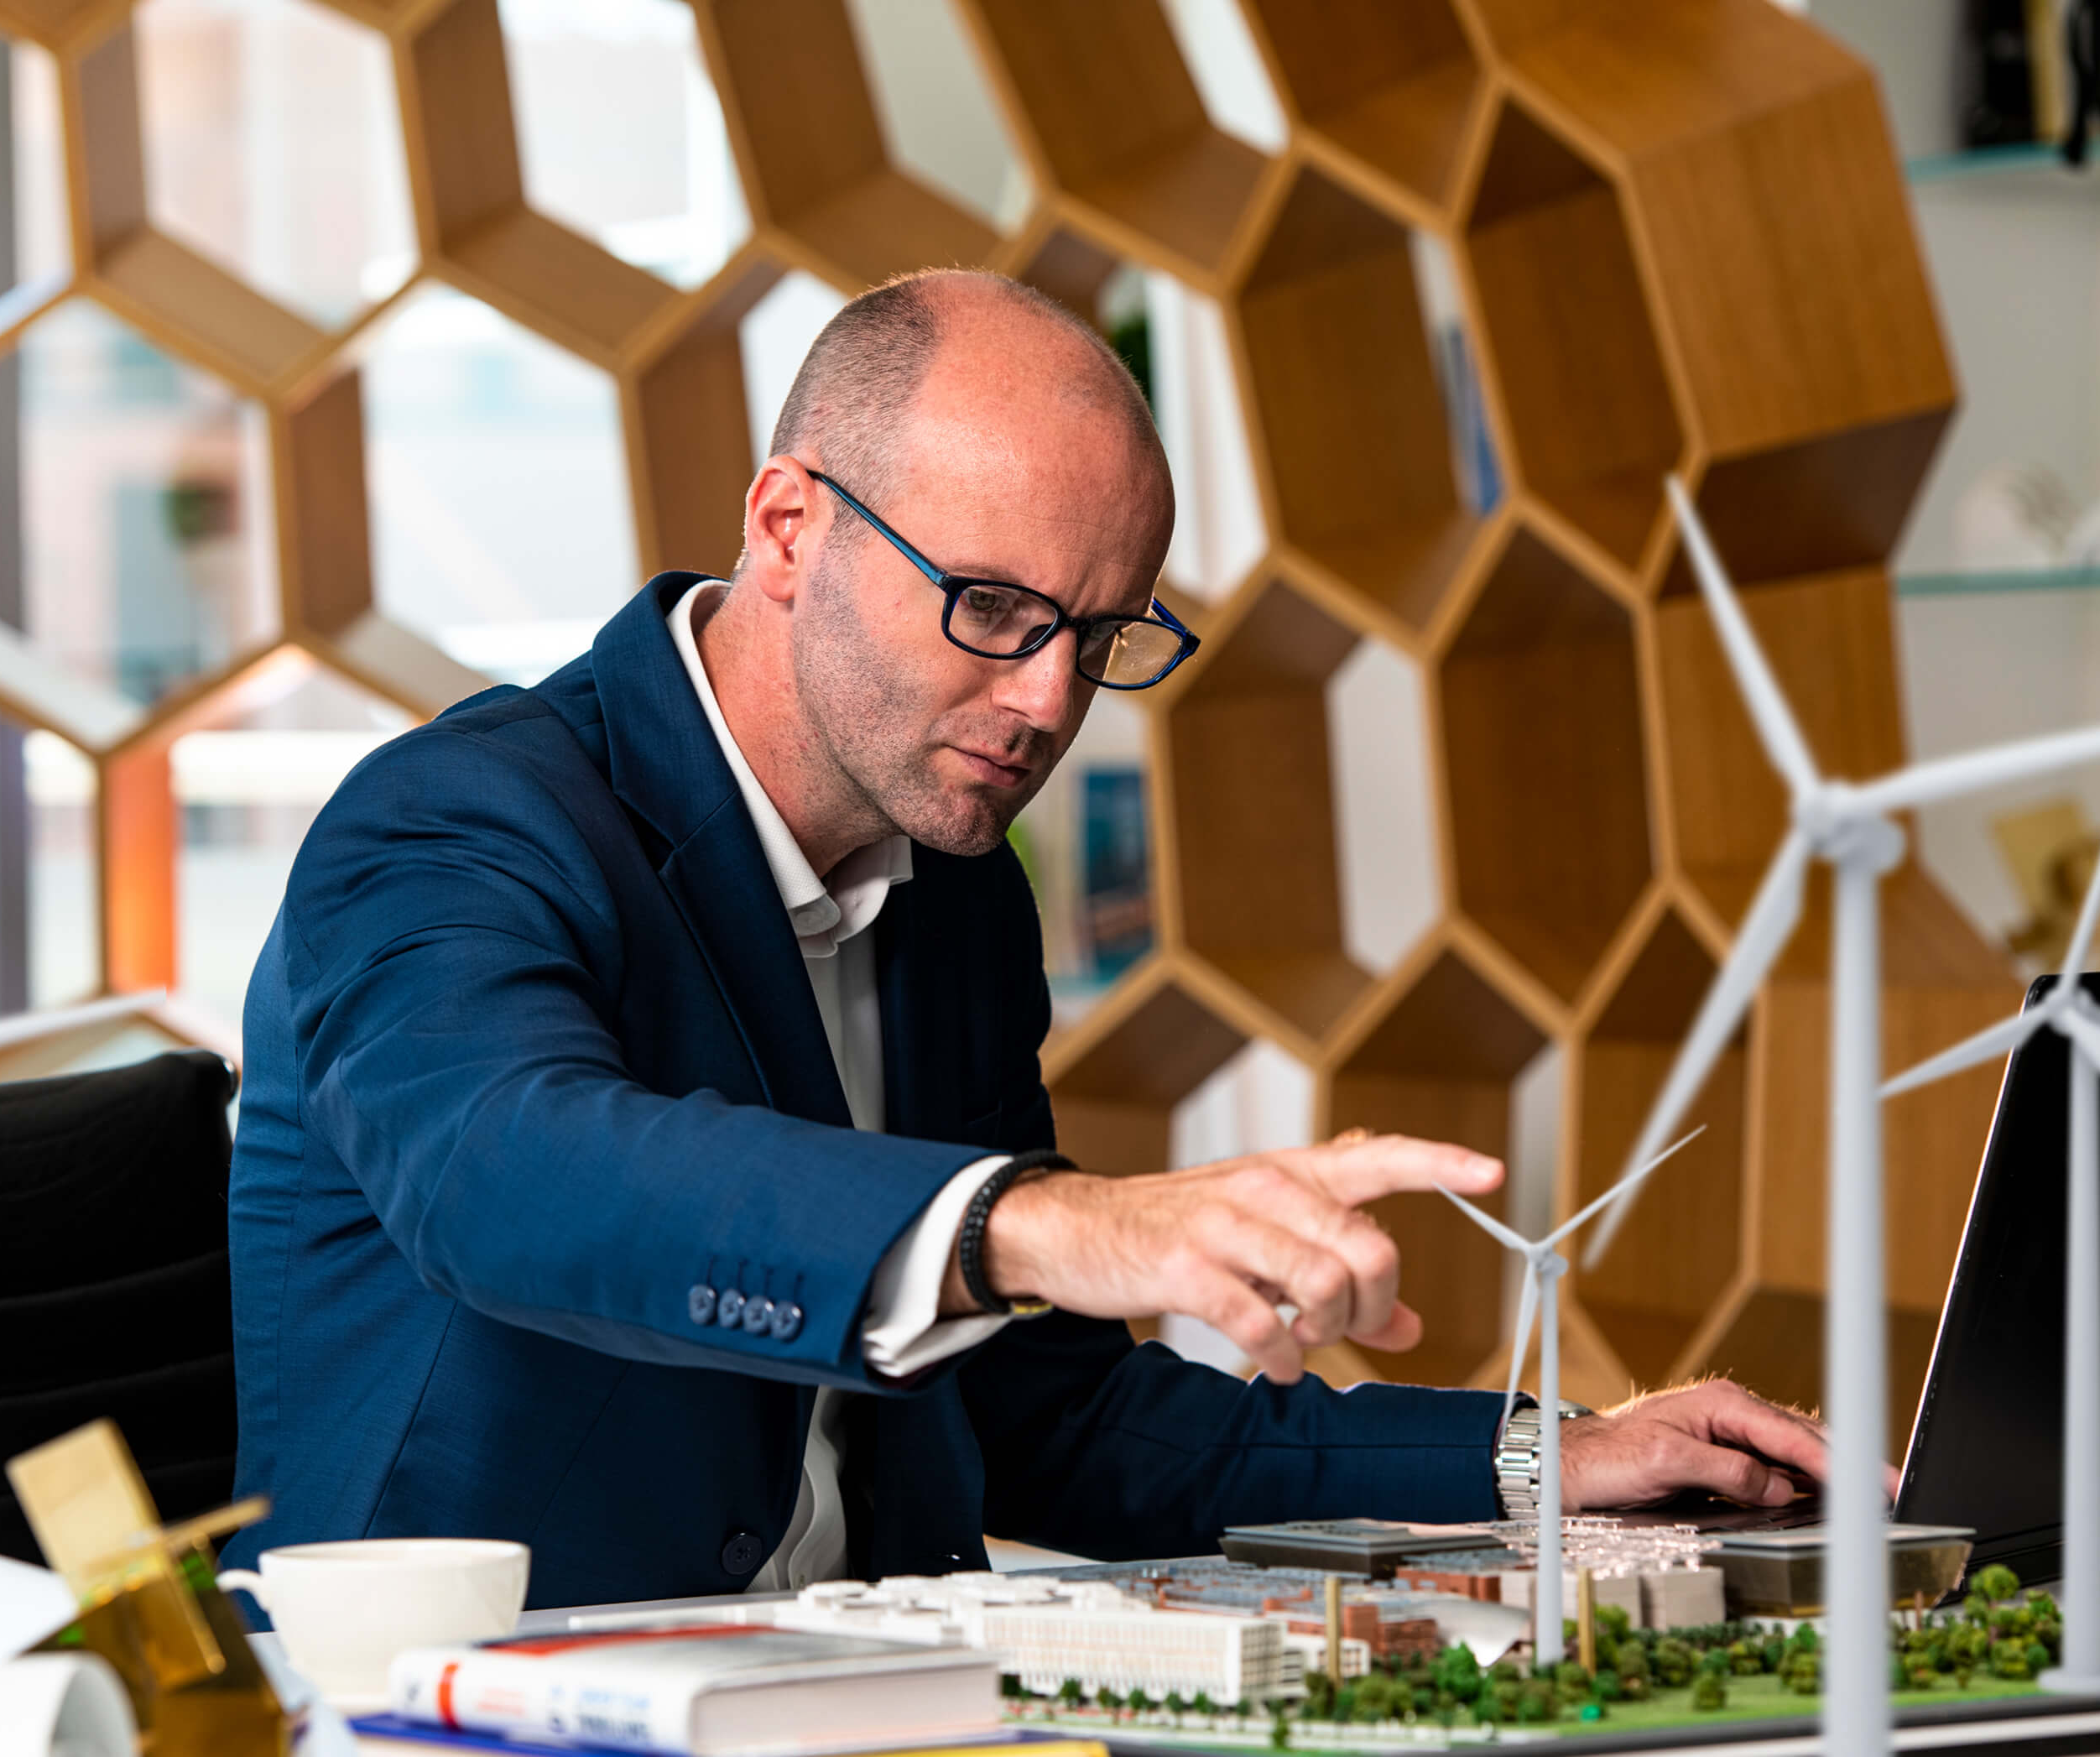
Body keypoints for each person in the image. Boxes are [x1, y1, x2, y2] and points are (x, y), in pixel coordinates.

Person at [221, 269, 1831, 1608]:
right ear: (787, 528)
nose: (1049, 700)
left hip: (876, 1697)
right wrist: (1037, 1225)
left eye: (1102, 630)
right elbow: (505, 1171)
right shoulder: (450, 821)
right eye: (990, 607)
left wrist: (1546, 1458)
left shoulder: (954, 883)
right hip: (478, 1704)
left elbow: (1049, 1419)